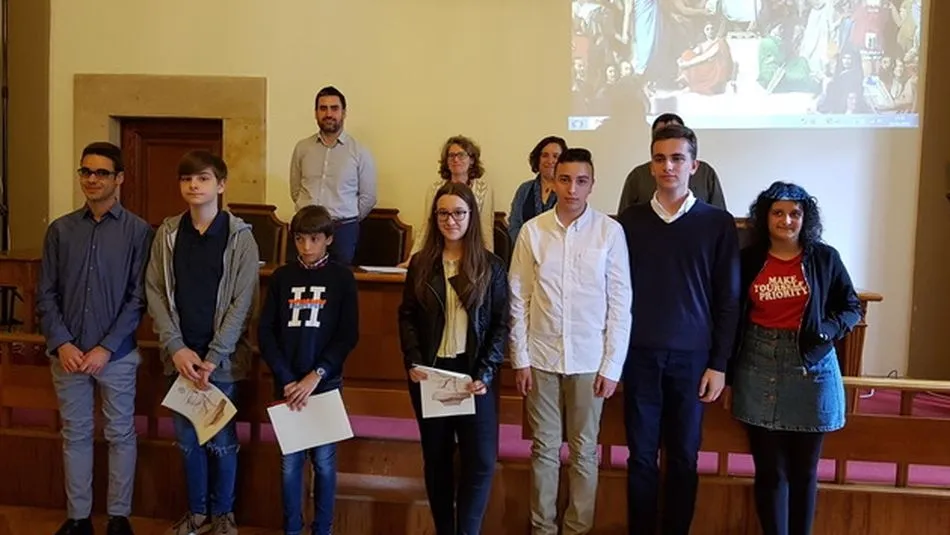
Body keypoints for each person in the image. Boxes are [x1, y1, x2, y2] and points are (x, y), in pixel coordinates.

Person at [618, 124, 740, 535]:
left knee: (685, 457)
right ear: (650, 166)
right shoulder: (629, 222)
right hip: (640, 357)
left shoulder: (717, 223)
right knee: (640, 458)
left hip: (693, 361)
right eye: (660, 159)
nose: (668, 166)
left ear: (694, 165)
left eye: (677, 158)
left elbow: (728, 299)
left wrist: (719, 364)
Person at [509, 148, 632, 535]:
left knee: (584, 451)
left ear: (592, 185)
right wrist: (520, 359)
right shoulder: (533, 232)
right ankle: (542, 529)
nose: (572, 189)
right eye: (565, 180)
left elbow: (620, 303)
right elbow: (518, 299)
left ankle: (577, 530)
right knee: (544, 449)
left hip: (590, 361)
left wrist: (612, 366)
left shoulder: (609, 232)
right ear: (553, 181)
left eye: (581, 181)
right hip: (541, 358)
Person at [731, 181, 861, 535]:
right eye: (778, 212)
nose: (786, 220)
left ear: (806, 218)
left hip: (810, 368)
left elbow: (851, 307)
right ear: (765, 216)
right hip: (757, 365)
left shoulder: (824, 258)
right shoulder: (748, 259)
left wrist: (827, 331)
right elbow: (730, 310)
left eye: (794, 213)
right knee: (770, 471)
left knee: (804, 472)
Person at [37, 142, 153, 535]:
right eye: (85, 171)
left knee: (120, 434)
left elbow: (139, 297)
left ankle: (118, 517)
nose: (92, 179)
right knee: (76, 434)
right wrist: (62, 343)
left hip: (116, 355)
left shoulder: (138, 231)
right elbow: (46, 293)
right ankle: (78, 518)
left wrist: (105, 347)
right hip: (68, 354)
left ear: (119, 179)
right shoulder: (61, 230)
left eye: (101, 173)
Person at [146, 150, 260, 535]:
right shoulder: (168, 233)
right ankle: (197, 513)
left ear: (221, 185)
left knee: (220, 441)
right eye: (187, 179)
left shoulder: (240, 238)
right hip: (180, 359)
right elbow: (155, 291)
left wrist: (213, 356)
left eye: (203, 178)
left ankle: (224, 514)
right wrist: (176, 347)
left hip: (220, 363)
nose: (194, 185)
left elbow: (243, 302)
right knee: (188, 442)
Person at [398, 182, 509, 535]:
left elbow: (500, 324)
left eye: (459, 213)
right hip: (433, 374)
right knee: (438, 459)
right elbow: (407, 316)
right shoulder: (422, 264)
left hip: (474, 376)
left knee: (481, 460)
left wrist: (486, 372)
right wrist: (414, 360)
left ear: (471, 216)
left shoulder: (491, 266)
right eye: (443, 213)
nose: (451, 220)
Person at [258, 205, 359, 535]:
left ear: (328, 239)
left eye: (314, 239)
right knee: (290, 465)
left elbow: (347, 334)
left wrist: (317, 374)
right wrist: (287, 378)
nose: (306, 247)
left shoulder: (342, 278)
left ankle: (322, 529)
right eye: (300, 239)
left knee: (325, 464)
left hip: (324, 385)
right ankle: (292, 528)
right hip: (288, 387)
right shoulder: (282, 277)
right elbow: (266, 332)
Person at [289, 85, 377, 265]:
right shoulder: (302, 148)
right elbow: (296, 190)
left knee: (339, 278)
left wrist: (346, 215)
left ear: (344, 113)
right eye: (323, 108)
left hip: (342, 231)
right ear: (315, 113)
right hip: (305, 230)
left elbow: (368, 197)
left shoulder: (359, 152)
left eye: (334, 108)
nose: (328, 114)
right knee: (301, 278)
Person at [403, 135, 494, 265]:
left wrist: (486, 261)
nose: (455, 159)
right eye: (451, 156)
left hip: (471, 254)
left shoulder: (483, 190)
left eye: (461, 155)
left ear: (472, 160)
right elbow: (427, 226)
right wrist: (412, 259)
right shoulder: (435, 189)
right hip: (440, 252)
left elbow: (485, 229)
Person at [617, 113, 726, 214]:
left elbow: (719, 210)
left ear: (693, 166)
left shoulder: (705, 173)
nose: (668, 167)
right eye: (662, 134)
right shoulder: (638, 175)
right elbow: (623, 218)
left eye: (674, 132)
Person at [507, 136, 567, 244]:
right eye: (545, 155)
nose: (550, 161)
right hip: (525, 249)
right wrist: (527, 247)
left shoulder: (568, 190)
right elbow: (514, 224)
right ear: (538, 159)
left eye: (555, 156)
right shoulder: (524, 189)